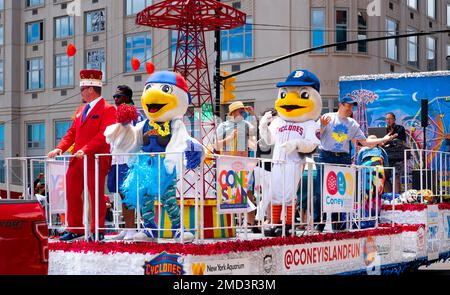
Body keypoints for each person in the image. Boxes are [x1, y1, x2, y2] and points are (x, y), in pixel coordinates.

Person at [48, 69, 117, 242]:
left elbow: (103, 135)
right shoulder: (81, 109)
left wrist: (86, 149)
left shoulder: (108, 109)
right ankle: (75, 228)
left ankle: (97, 229)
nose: (81, 93)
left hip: (94, 158)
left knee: (96, 194)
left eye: (82, 89)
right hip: (77, 159)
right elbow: (71, 133)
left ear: (91, 89)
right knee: (71, 192)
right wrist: (60, 148)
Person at [315, 96, 397, 232]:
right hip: (326, 155)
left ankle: (337, 224)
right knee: (321, 190)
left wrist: (383, 139)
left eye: (352, 107)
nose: (350, 109)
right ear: (341, 105)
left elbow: (364, 142)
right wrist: (322, 126)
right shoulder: (328, 117)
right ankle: (320, 222)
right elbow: (317, 136)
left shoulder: (352, 123)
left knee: (339, 191)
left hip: (343, 157)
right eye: (348, 106)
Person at [107, 85, 144, 241]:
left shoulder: (136, 114)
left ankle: (132, 228)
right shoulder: (115, 114)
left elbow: (137, 135)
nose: (116, 99)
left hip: (129, 160)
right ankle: (127, 227)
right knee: (122, 194)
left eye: (119, 96)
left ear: (128, 97)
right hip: (116, 159)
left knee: (129, 194)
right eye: (114, 96)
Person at [356, 135, 389, 228]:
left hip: (367, 172)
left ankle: (366, 218)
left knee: (366, 195)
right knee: (376, 196)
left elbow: (358, 164)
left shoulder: (363, 150)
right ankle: (375, 218)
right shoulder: (381, 150)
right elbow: (386, 165)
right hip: (377, 172)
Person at [383, 112, 407, 193]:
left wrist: (389, 140)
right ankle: (388, 195)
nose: (388, 121)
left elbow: (401, 141)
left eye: (390, 119)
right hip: (386, 156)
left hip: (397, 156)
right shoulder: (383, 130)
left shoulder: (400, 128)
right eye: (387, 119)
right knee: (385, 177)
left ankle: (396, 196)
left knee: (396, 176)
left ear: (394, 120)